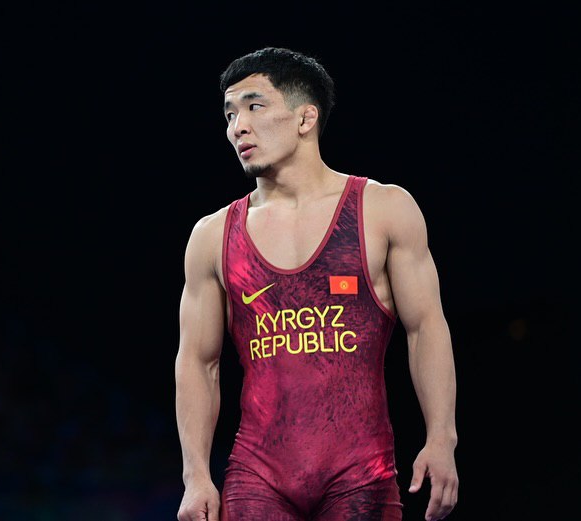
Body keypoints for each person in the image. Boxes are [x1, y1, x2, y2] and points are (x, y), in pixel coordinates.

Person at [174, 47, 458, 521]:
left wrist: (441, 437)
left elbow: (426, 328)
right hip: (257, 477)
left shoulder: (382, 210)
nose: (238, 127)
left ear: (306, 118)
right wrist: (195, 475)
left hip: (360, 475)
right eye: (229, 114)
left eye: (254, 106)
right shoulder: (212, 236)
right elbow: (198, 362)